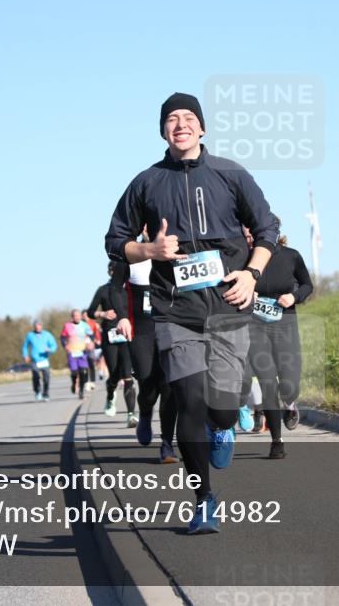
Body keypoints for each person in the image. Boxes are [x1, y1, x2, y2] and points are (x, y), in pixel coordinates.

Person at [105, 92, 278, 534]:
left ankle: (226, 426)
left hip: (227, 305)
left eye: (188, 118)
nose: (180, 124)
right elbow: (114, 240)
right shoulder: (146, 182)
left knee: (221, 408)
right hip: (174, 310)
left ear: (201, 127)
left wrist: (251, 275)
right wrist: (150, 249)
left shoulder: (230, 174)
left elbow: (267, 228)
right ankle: (203, 498)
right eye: (171, 119)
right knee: (189, 402)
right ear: (163, 130)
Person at [241, 222, 313, 459]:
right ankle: (277, 441)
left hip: (285, 324)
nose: (249, 238)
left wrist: (293, 297)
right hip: (255, 326)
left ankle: (290, 404)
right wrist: (246, 292)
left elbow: (307, 285)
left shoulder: (291, 256)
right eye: (245, 235)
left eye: (252, 233)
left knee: (289, 382)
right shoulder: (243, 259)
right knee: (267, 381)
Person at [116, 249, 179, 464]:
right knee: (147, 385)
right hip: (141, 334)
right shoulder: (130, 259)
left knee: (169, 387)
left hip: (171, 330)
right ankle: (144, 413)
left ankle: (167, 446)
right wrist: (122, 317)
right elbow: (115, 289)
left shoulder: (177, 257)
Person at [88, 262, 137, 425]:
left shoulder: (130, 288)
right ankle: (110, 396)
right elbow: (89, 312)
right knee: (114, 375)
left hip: (127, 336)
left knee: (128, 376)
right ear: (109, 272)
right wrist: (102, 313)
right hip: (110, 338)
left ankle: (131, 415)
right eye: (113, 270)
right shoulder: (103, 290)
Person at [60, 310, 95, 399]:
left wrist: (91, 343)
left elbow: (91, 335)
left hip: (82, 352)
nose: (77, 317)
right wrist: (65, 345)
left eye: (79, 315)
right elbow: (62, 337)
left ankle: (81, 391)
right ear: (72, 317)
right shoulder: (67, 326)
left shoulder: (84, 325)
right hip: (72, 352)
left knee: (84, 372)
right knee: (75, 372)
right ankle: (74, 383)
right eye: (75, 316)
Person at [22, 320, 57, 400]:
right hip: (35, 360)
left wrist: (50, 350)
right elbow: (25, 347)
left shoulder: (47, 334)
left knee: (46, 377)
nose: (38, 327)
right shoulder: (30, 335)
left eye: (39, 325)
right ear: (34, 326)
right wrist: (25, 355)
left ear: (42, 326)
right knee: (35, 375)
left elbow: (54, 345)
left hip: (44, 359)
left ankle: (46, 393)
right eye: (36, 325)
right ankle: (37, 391)